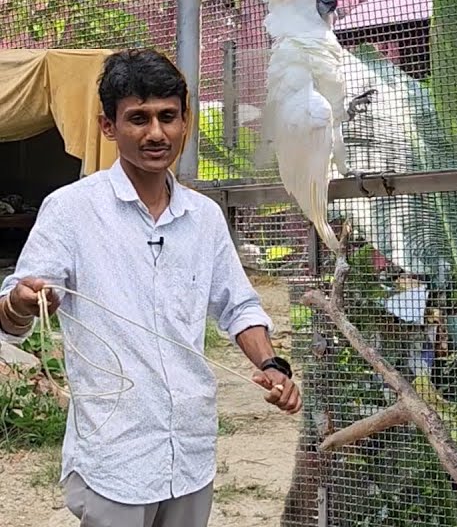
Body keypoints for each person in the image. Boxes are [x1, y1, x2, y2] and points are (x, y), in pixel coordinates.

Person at [0, 47, 301, 527]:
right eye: (138, 118)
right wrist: (22, 300)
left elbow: (238, 305)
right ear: (108, 126)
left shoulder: (203, 218)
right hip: (114, 451)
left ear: (185, 122)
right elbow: (10, 316)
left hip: (190, 448)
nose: (156, 133)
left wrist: (270, 365)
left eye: (168, 116)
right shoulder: (71, 210)